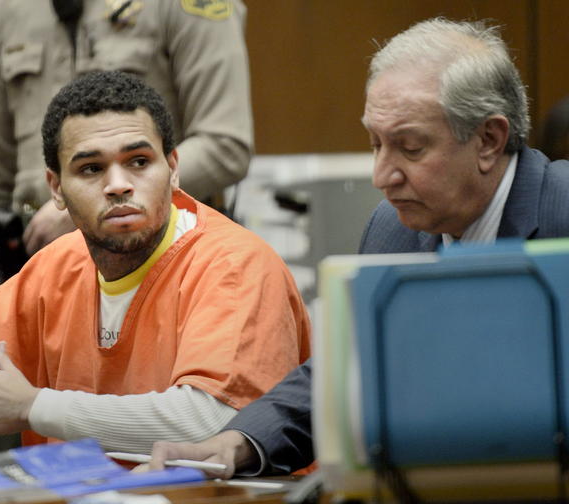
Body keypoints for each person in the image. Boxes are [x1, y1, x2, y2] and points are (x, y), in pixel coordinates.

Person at [147, 17, 569, 478]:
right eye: (375, 144)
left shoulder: (561, 213)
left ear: (488, 140)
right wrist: (239, 443)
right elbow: (346, 370)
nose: (381, 176)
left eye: (410, 148)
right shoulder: (392, 228)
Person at [0, 70, 309, 453]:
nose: (118, 185)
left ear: (173, 169)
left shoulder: (234, 265)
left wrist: (31, 407)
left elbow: (212, 422)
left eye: (139, 162)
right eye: (91, 168)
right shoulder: (53, 267)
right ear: (56, 189)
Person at [0, 0, 254, 344]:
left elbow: (225, 144)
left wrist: (83, 205)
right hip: (34, 266)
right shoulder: (8, 9)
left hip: (156, 264)